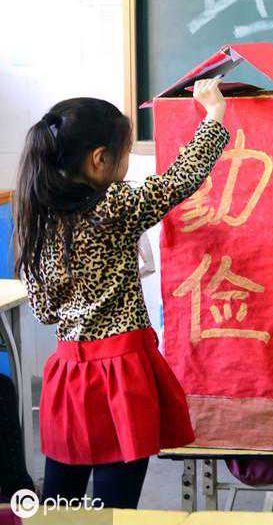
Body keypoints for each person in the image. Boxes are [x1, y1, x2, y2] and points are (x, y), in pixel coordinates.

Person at [13, 82, 229, 509]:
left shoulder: (37, 219)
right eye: (126, 153)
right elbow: (179, 181)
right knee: (115, 509)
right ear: (100, 159)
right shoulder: (113, 206)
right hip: (122, 375)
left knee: (60, 506)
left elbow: (44, 311)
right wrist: (214, 115)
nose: (127, 164)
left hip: (68, 376)